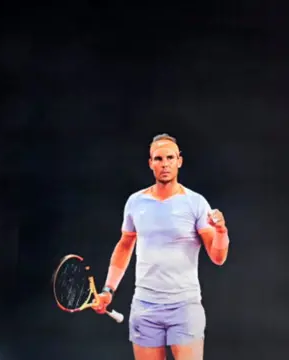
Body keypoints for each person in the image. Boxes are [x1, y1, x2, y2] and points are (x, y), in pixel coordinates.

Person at [92, 134, 230, 360]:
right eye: (158, 158)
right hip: (145, 307)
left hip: (184, 307)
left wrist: (222, 232)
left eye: (169, 157)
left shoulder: (195, 203)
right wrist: (108, 290)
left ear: (179, 161)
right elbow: (125, 246)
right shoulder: (135, 202)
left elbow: (218, 257)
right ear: (150, 163)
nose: (164, 164)